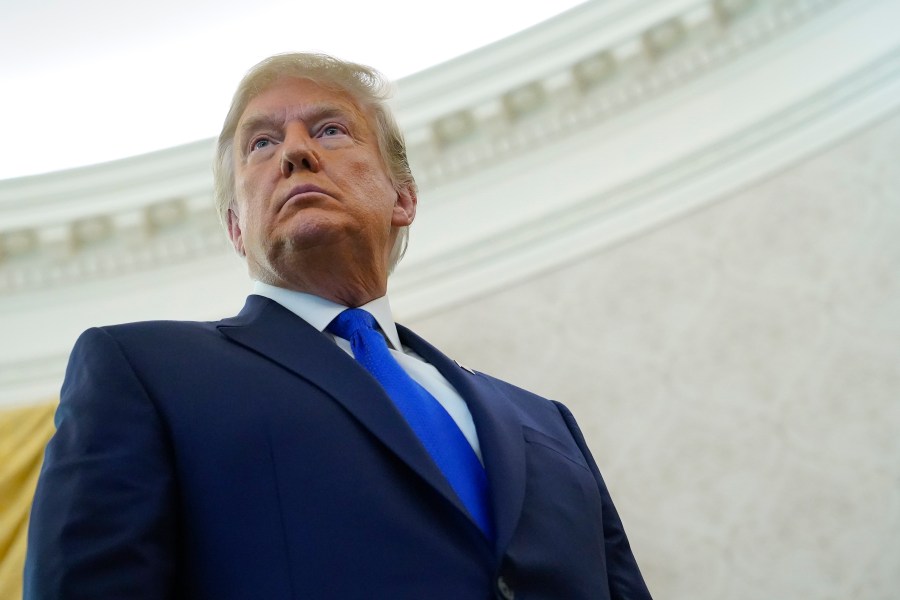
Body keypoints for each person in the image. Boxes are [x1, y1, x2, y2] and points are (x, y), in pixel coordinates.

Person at [25, 52, 652, 599]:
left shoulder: (547, 424)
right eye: (261, 143)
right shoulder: (146, 372)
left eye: (330, 129)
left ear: (403, 197)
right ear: (237, 227)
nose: (296, 152)